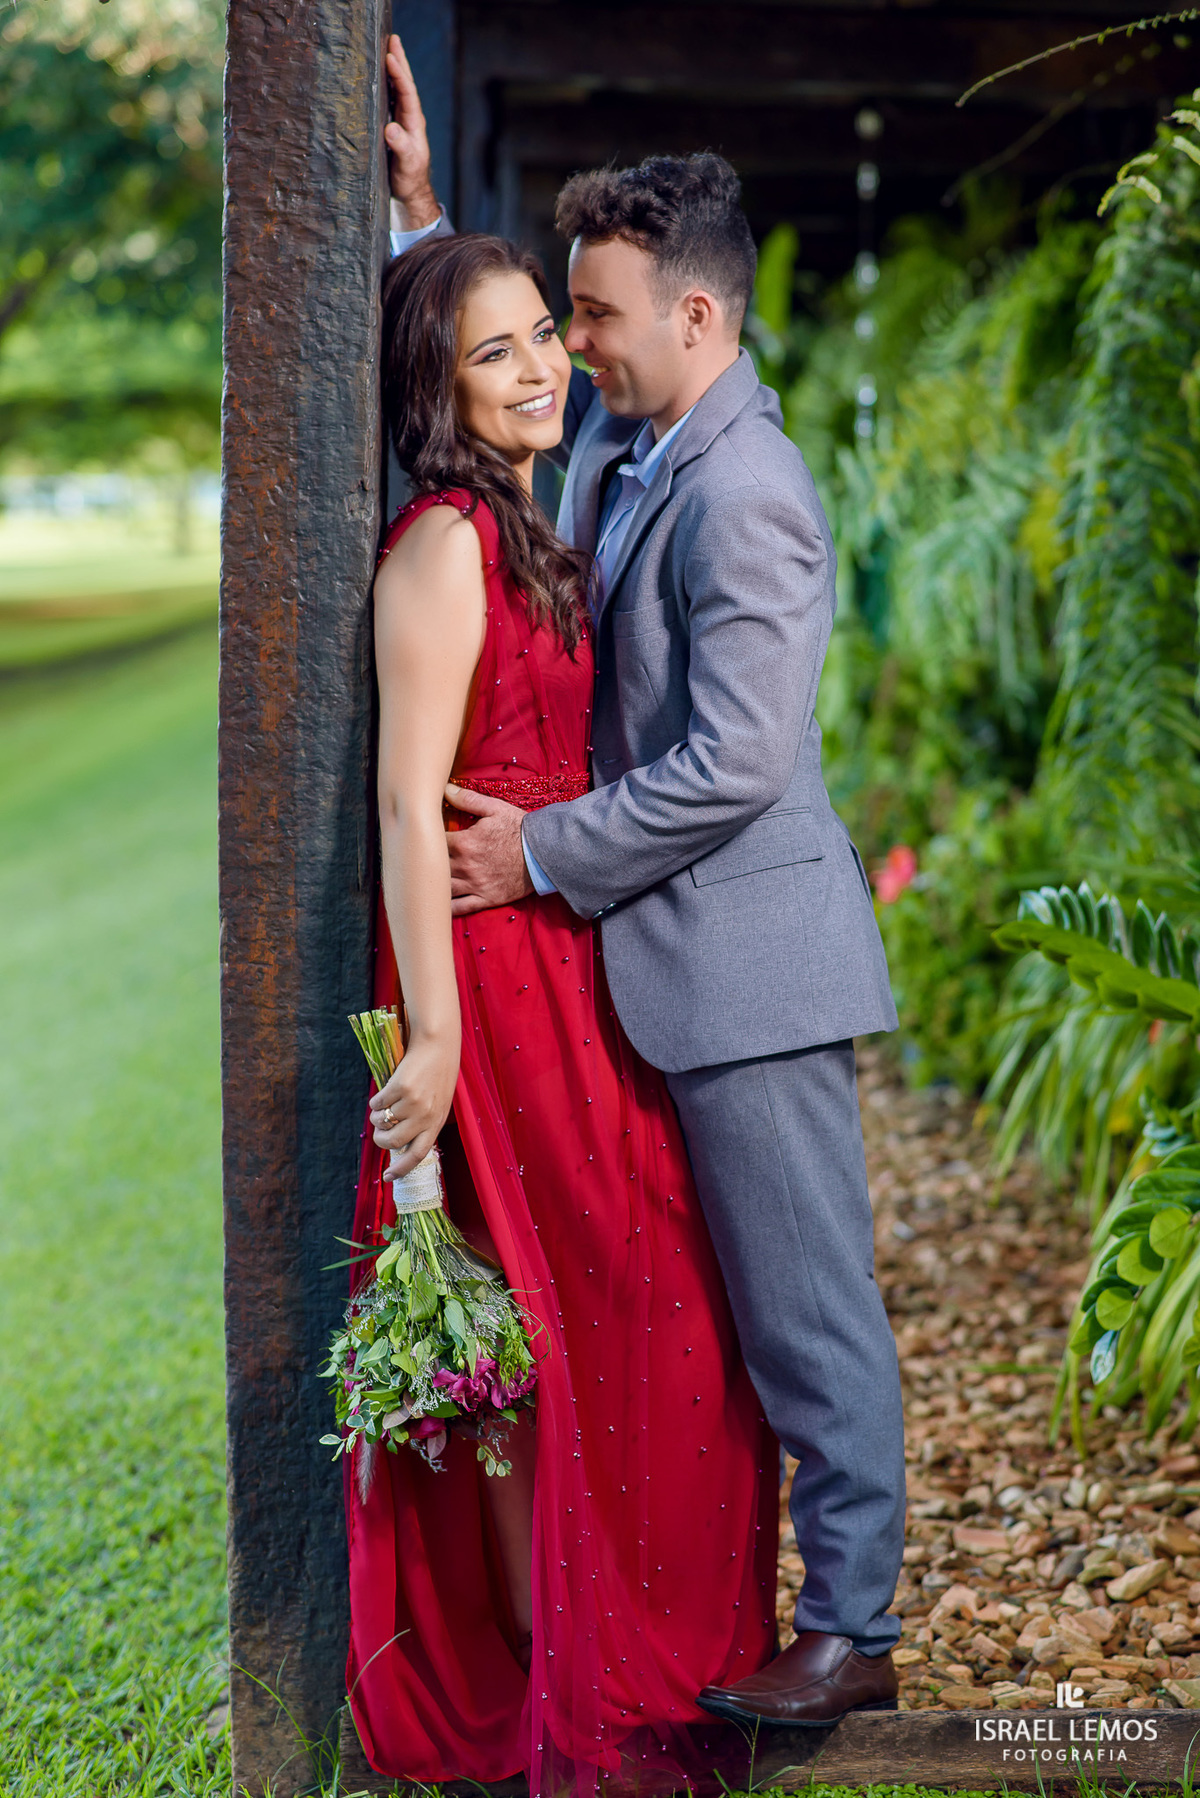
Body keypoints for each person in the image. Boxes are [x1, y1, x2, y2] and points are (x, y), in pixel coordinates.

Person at [381, 33, 907, 1731]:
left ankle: (855, 1622)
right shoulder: (640, 445)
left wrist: (537, 848)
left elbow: (737, 762)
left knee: (805, 1312)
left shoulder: (747, 491)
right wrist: (418, 231)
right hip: (649, 970)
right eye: (558, 321)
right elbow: (485, 384)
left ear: (691, 314)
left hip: (747, 971)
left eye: (592, 317)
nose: (573, 345)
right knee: (704, 1318)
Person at [347, 229, 778, 1791]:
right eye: (498, 351)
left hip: (572, 953)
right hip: (490, 980)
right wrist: (437, 1038)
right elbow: (407, 805)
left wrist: (421, 218)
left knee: (647, 1303)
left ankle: (640, 1652)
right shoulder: (445, 542)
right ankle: (571, 1679)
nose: (543, 367)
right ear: (438, 386)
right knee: (557, 1318)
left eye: (546, 332)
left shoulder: (533, 512)